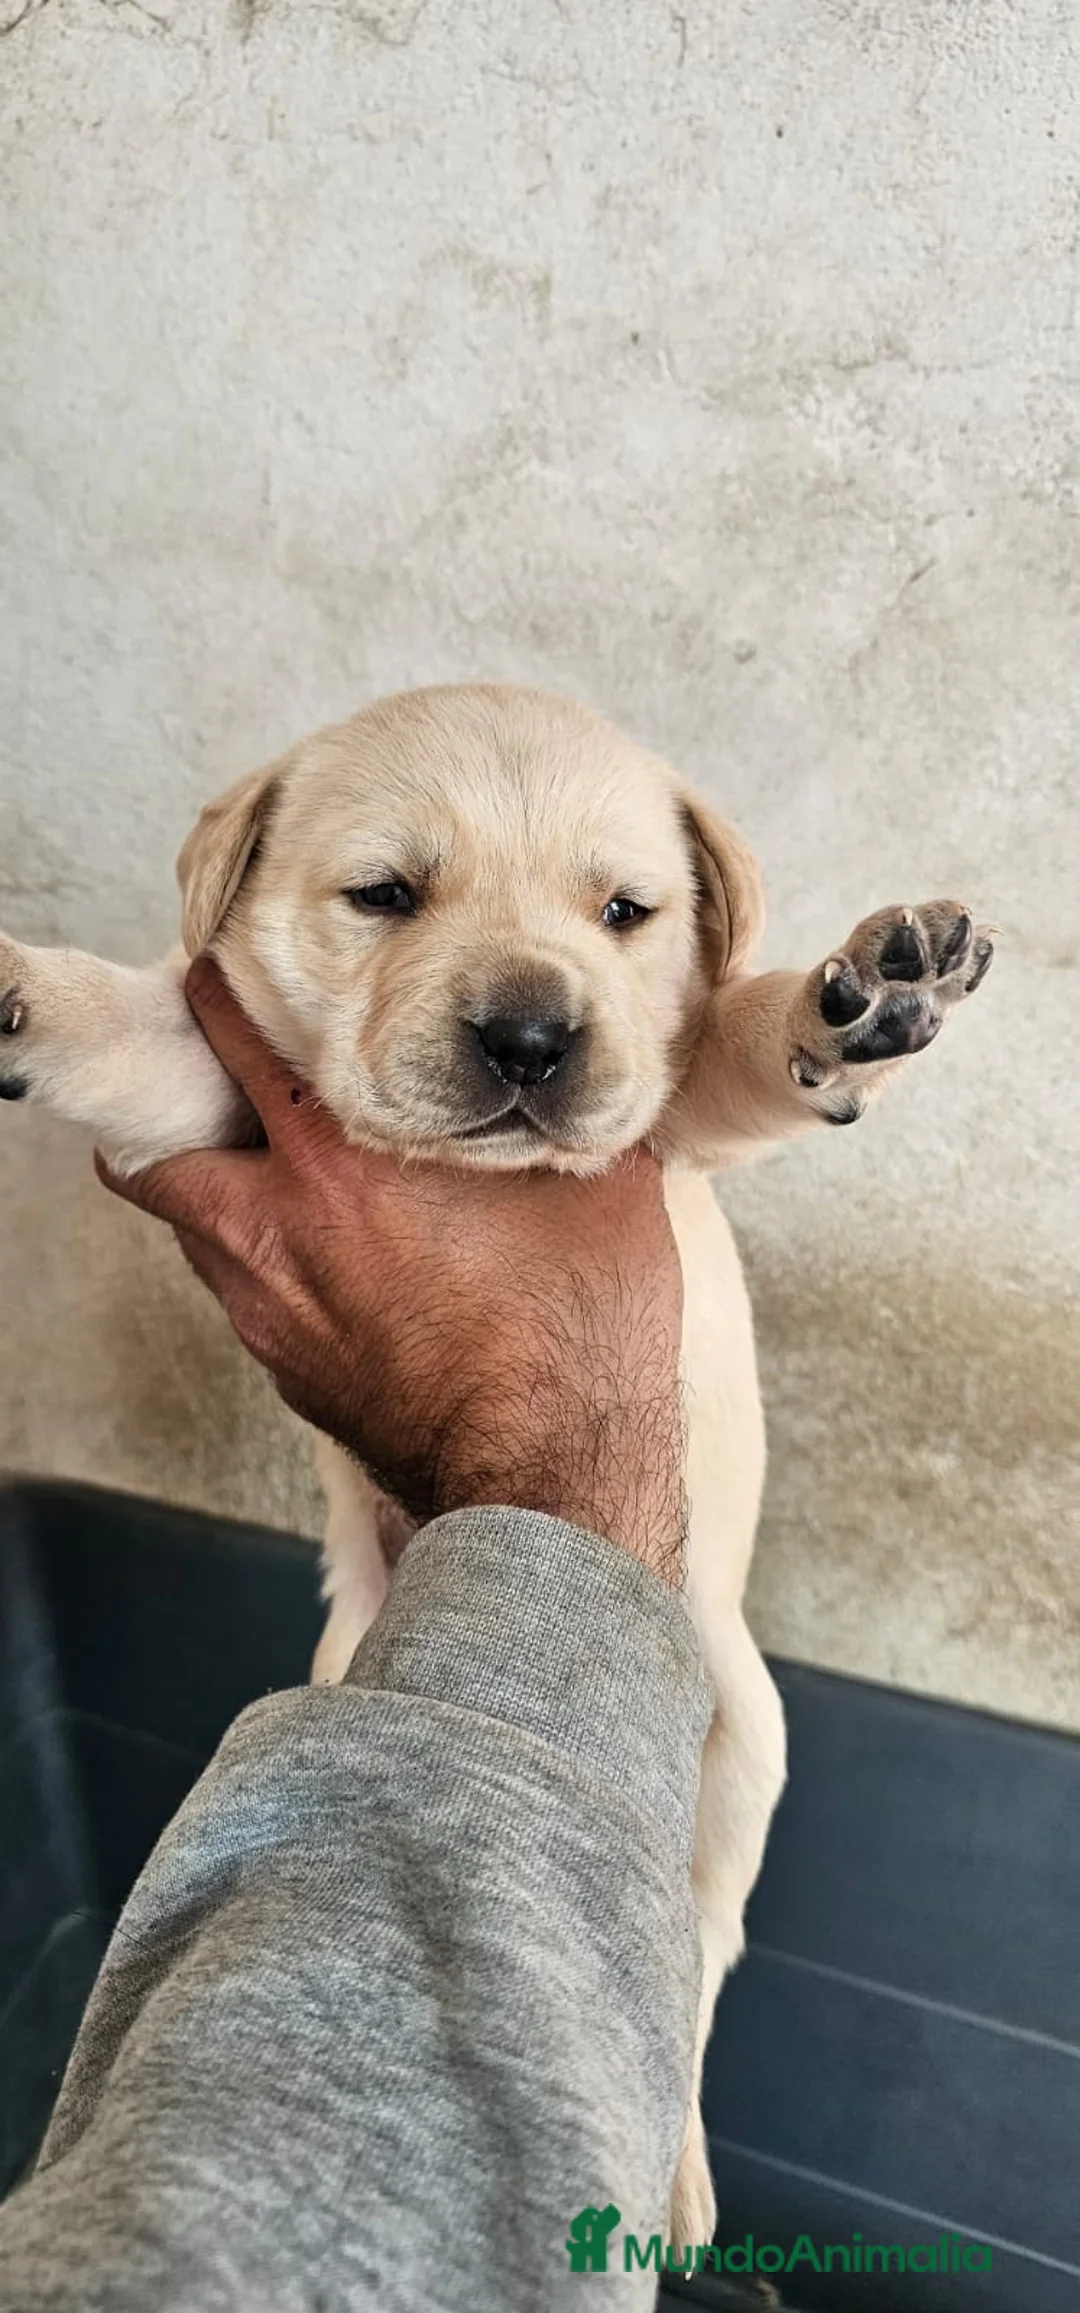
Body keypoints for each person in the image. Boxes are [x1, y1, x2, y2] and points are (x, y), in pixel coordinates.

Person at [0, 960, 713, 2312]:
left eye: (619, 911)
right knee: (355, 1695)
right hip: (536, 1622)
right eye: (388, 896)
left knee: (716, 1798)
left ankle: (672, 2086)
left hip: (588, 1642)